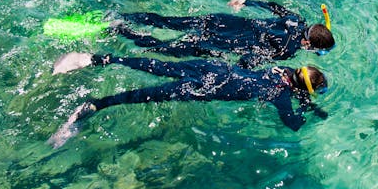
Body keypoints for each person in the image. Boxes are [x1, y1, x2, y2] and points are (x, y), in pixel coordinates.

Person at [48, 52, 329, 148]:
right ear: (301, 89)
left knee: (156, 65)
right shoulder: (280, 96)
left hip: (214, 68)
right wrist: (309, 110)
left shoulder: (280, 71)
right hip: (208, 86)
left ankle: (96, 59)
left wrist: (305, 97)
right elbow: (292, 124)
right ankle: (96, 105)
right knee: (146, 96)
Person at [112, 0, 335, 68]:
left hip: (221, 20)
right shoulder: (288, 50)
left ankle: (122, 16)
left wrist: (246, 1)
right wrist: (236, 69)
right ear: (307, 44)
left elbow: (275, 6)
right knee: (162, 48)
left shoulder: (297, 20)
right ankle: (119, 30)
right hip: (218, 42)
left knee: (168, 22)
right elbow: (251, 59)